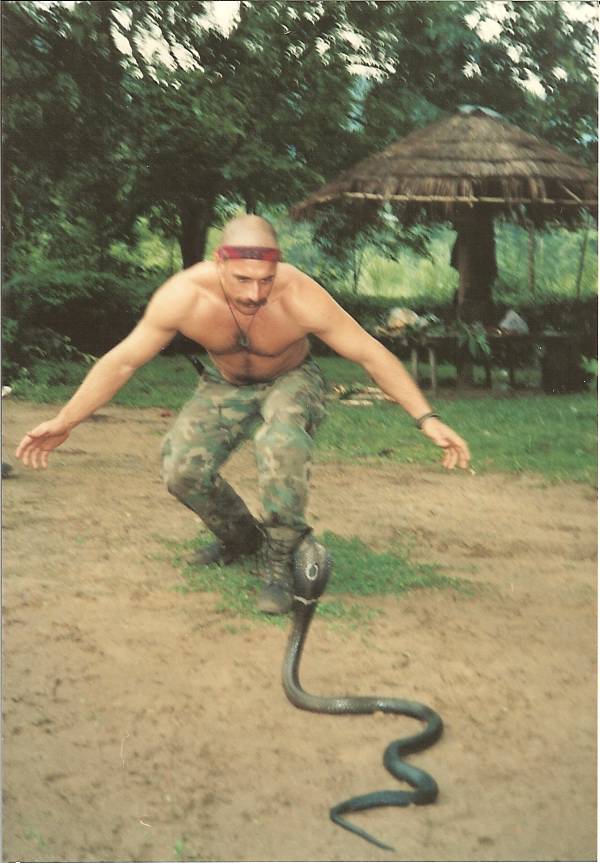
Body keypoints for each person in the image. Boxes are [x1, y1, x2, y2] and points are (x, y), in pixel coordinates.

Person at [16, 215, 470, 614]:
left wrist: (426, 418)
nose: (255, 293)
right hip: (225, 383)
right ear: (219, 262)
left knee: (280, 440)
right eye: (243, 280)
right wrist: (66, 420)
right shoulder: (184, 296)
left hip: (292, 378)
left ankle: (281, 556)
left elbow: (370, 354)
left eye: (266, 280)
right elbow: (123, 361)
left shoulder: (300, 296)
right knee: (181, 469)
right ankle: (242, 539)